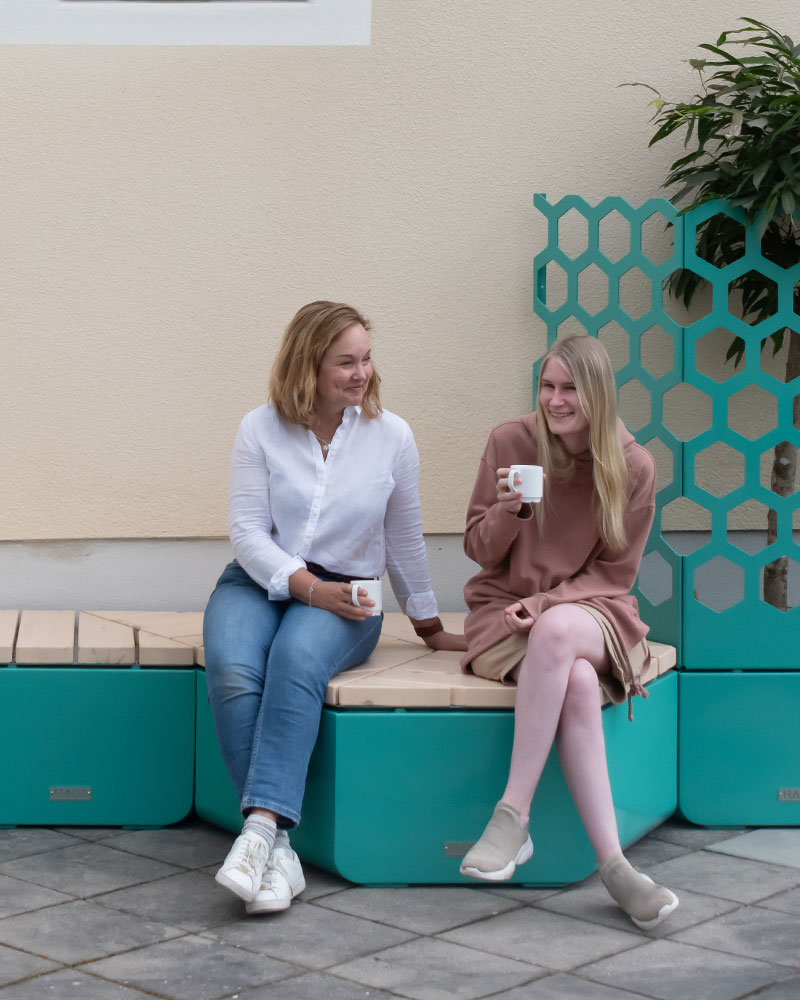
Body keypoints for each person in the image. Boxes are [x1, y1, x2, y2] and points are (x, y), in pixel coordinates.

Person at [203, 300, 466, 915]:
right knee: (233, 666)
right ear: (308, 366)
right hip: (256, 581)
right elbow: (246, 531)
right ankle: (281, 849)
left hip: (349, 596)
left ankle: (258, 833)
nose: (362, 373)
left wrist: (427, 623)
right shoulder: (258, 428)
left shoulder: (392, 437)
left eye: (367, 359)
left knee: (296, 657)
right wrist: (304, 586)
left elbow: (403, 538)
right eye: (345, 362)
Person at [458, 334, 679, 930]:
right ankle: (615, 868)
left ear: (598, 395)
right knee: (577, 682)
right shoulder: (511, 441)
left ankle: (512, 815)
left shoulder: (633, 466)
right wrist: (509, 511)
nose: (554, 402)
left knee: (557, 635)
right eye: (547, 387)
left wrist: (550, 602)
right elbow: (479, 551)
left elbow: (614, 572)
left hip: (591, 607)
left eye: (569, 389)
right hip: (503, 610)